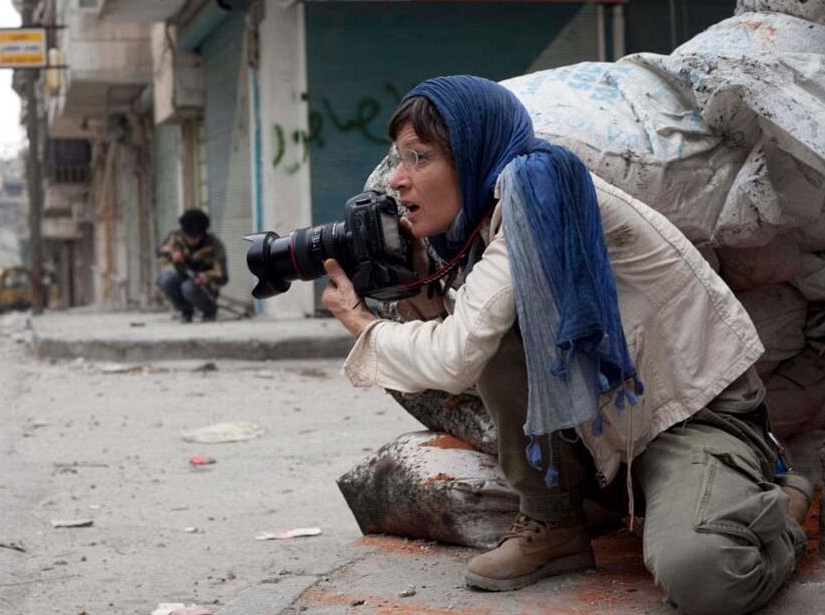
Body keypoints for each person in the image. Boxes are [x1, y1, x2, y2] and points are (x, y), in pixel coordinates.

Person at [321, 75, 811, 615]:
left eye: (420, 157)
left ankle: (781, 506)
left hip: (687, 418)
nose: (398, 179)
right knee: (495, 331)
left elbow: (453, 357)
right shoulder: (489, 221)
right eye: (399, 159)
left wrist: (361, 322)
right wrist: (420, 290)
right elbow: (476, 342)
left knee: (703, 575)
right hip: (612, 430)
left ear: (473, 150)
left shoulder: (538, 194)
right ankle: (553, 524)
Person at [157, 208, 228, 322]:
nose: (192, 241)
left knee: (188, 287)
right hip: (182, 277)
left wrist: (207, 277)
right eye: (189, 237)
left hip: (204, 288)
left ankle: (209, 311)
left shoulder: (214, 244)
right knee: (165, 279)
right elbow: (159, 253)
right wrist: (171, 255)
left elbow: (223, 277)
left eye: (196, 237)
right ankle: (185, 311)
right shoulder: (176, 237)